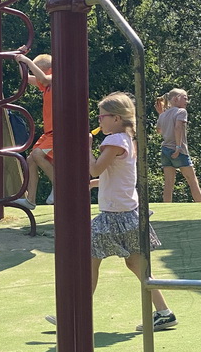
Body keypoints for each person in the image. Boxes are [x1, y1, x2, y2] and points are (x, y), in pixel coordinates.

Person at [47, 92, 176, 332]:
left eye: (101, 117)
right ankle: (164, 313)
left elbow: (95, 169)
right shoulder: (127, 139)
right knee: (136, 265)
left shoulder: (113, 141)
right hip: (128, 213)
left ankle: (74, 314)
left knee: (89, 261)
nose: (99, 121)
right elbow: (117, 174)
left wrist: (86, 147)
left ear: (116, 118)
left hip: (115, 216)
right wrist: (97, 185)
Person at [14, 50, 54, 209]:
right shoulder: (45, 86)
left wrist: (27, 60)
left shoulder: (56, 77)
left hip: (60, 131)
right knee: (31, 159)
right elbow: (26, 78)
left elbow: (43, 78)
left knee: (38, 155)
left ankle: (59, 187)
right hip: (49, 132)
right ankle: (31, 200)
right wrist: (20, 61)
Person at [155, 88, 201, 203]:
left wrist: (161, 115)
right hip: (178, 151)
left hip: (165, 150)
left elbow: (159, 131)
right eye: (185, 98)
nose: (187, 101)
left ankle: (166, 209)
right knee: (192, 181)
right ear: (176, 99)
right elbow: (178, 128)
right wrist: (178, 147)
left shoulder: (163, 114)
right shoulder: (181, 112)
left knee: (168, 183)